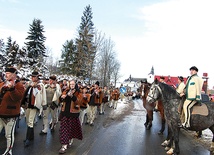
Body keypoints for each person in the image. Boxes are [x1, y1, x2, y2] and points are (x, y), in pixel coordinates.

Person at [0, 67, 25, 155]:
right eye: (5, 73)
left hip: (10, 113)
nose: (6, 75)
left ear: (14, 75)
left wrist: (12, 89)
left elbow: (18, 98)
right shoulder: (2, 83)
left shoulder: (19, 85)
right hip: (0, 112)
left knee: (8, 134)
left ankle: (9, 150)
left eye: (8, 73)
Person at [21, 71, 47, 147]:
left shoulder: (40, 85)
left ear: (37, 77)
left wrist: (44, 104)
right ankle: (31, 136)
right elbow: (26, 93)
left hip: (34, 105)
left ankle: (28, 139)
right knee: (28, 120)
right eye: (32, 76)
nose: (32, 78)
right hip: (27, 104)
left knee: (30, 121)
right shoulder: (29, 84)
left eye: (34, 76)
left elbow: (41, 94)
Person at [58, 79, 83, 154]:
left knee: (71, 129)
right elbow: (60, 100)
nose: (71, 85)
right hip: (65, 112)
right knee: (64, 129)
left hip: (73, 113)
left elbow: (79, 101)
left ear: (75, 84)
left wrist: (72, 96)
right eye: (70, 84)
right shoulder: (66, 90)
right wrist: (62, 97)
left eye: (73, 84)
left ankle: (70, 140)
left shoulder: (78, 92)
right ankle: (64, 146)